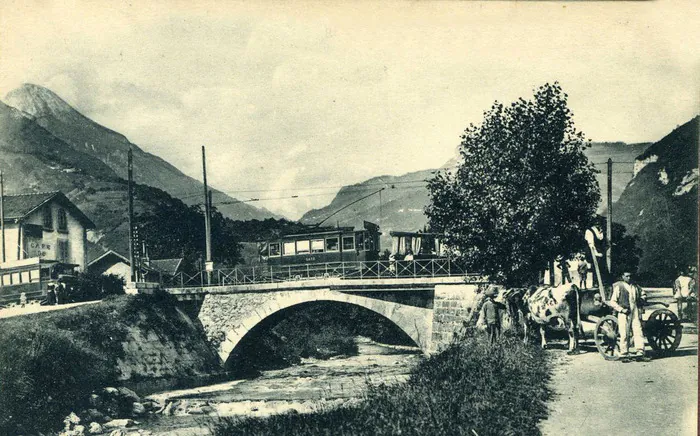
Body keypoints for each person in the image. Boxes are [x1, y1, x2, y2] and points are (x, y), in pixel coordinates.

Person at [609, 272, 650, 362]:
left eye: (630, 276)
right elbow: (612, 302)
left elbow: (643, 294)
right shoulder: (619, 286)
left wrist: (642, 298)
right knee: (624, 333)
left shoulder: (635, 286)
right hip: (624, 312)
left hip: (634, 310)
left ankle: (640, 352)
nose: (629, 277)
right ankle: (624, 353)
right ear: (623, 277)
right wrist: (621, 309)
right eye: (627, 276)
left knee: (638, 330)